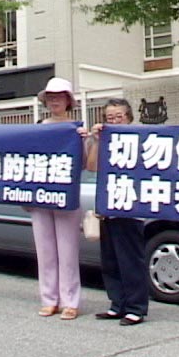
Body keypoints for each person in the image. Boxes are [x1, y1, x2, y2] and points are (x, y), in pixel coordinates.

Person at [86, 98, 149, 326]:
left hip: (130, 207)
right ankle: (117, 304)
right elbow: (92, 167)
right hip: (108, 207)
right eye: (109, 117)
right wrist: (96, 140)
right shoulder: (104, 139)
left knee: (131, 260)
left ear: (129, 117)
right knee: (110, 261)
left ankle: (136, 308)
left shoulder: (140, 138)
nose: (113, 121)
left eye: (118, 116)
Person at [31, 77, 87, 320]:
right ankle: (49, 299)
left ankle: (70, 301)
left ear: (68, 100)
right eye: (51, 97)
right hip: (41, 194)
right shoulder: (37, 127)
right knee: (44, 250)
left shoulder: (76, 129)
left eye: (59, 96)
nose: (54, 101)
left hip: (66, 194)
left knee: (68, 249)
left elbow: (85, 163)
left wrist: (85, 141)